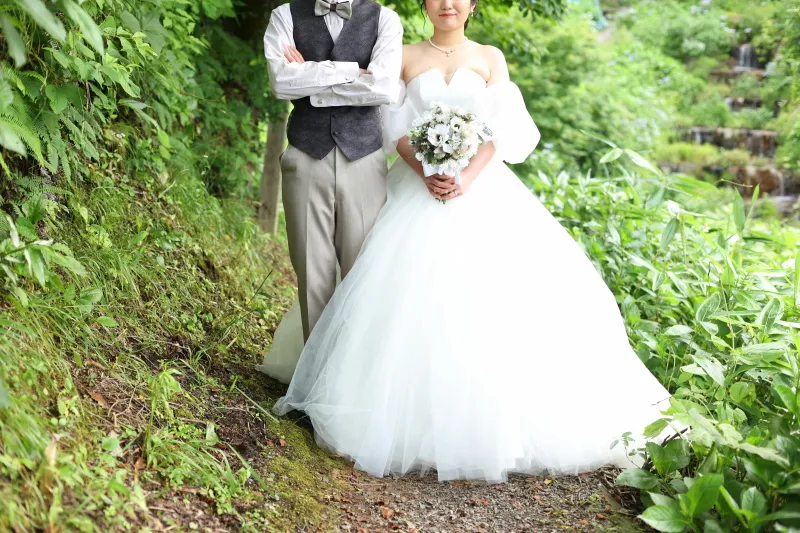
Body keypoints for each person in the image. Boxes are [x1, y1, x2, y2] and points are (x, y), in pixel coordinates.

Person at [260, 0, 674, 483]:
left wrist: (467, 175)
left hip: (481, 187)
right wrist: (426, 170)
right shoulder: (405, 55)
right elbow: (390, 125)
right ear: (424, 4)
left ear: (472, 4)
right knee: (393, 291)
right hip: (415, 184)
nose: (448, 4)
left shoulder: (489, 57)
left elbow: (502, 126)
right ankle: (355, 391)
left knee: (491, 297)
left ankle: (482, 412)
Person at [262, 0, 403, 342]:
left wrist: (311, 75)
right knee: (311, 271)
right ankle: (314, 369)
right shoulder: (284, 15)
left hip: (364, 159)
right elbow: (281, 83)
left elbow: (383, 87)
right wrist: (355, 71)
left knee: (363, 271)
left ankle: (354, 366)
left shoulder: (385, 19)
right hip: (305, 155)